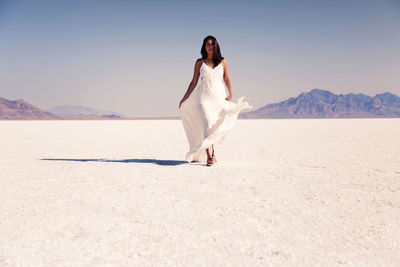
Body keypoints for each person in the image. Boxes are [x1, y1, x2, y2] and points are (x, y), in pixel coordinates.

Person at [178, 35, 252, 166]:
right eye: (207, 44)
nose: (210, 46)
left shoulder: (223, 61)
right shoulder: (199, 62)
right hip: (204, 97)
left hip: (218, 96)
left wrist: (231, 92)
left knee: (213, 125)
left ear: (216, 46)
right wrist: (185, 97)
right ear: (204, 46)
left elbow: (227, 78)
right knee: (207, 124)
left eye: (212, 44)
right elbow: (194, 81)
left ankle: (212, 153)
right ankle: (209, 157)